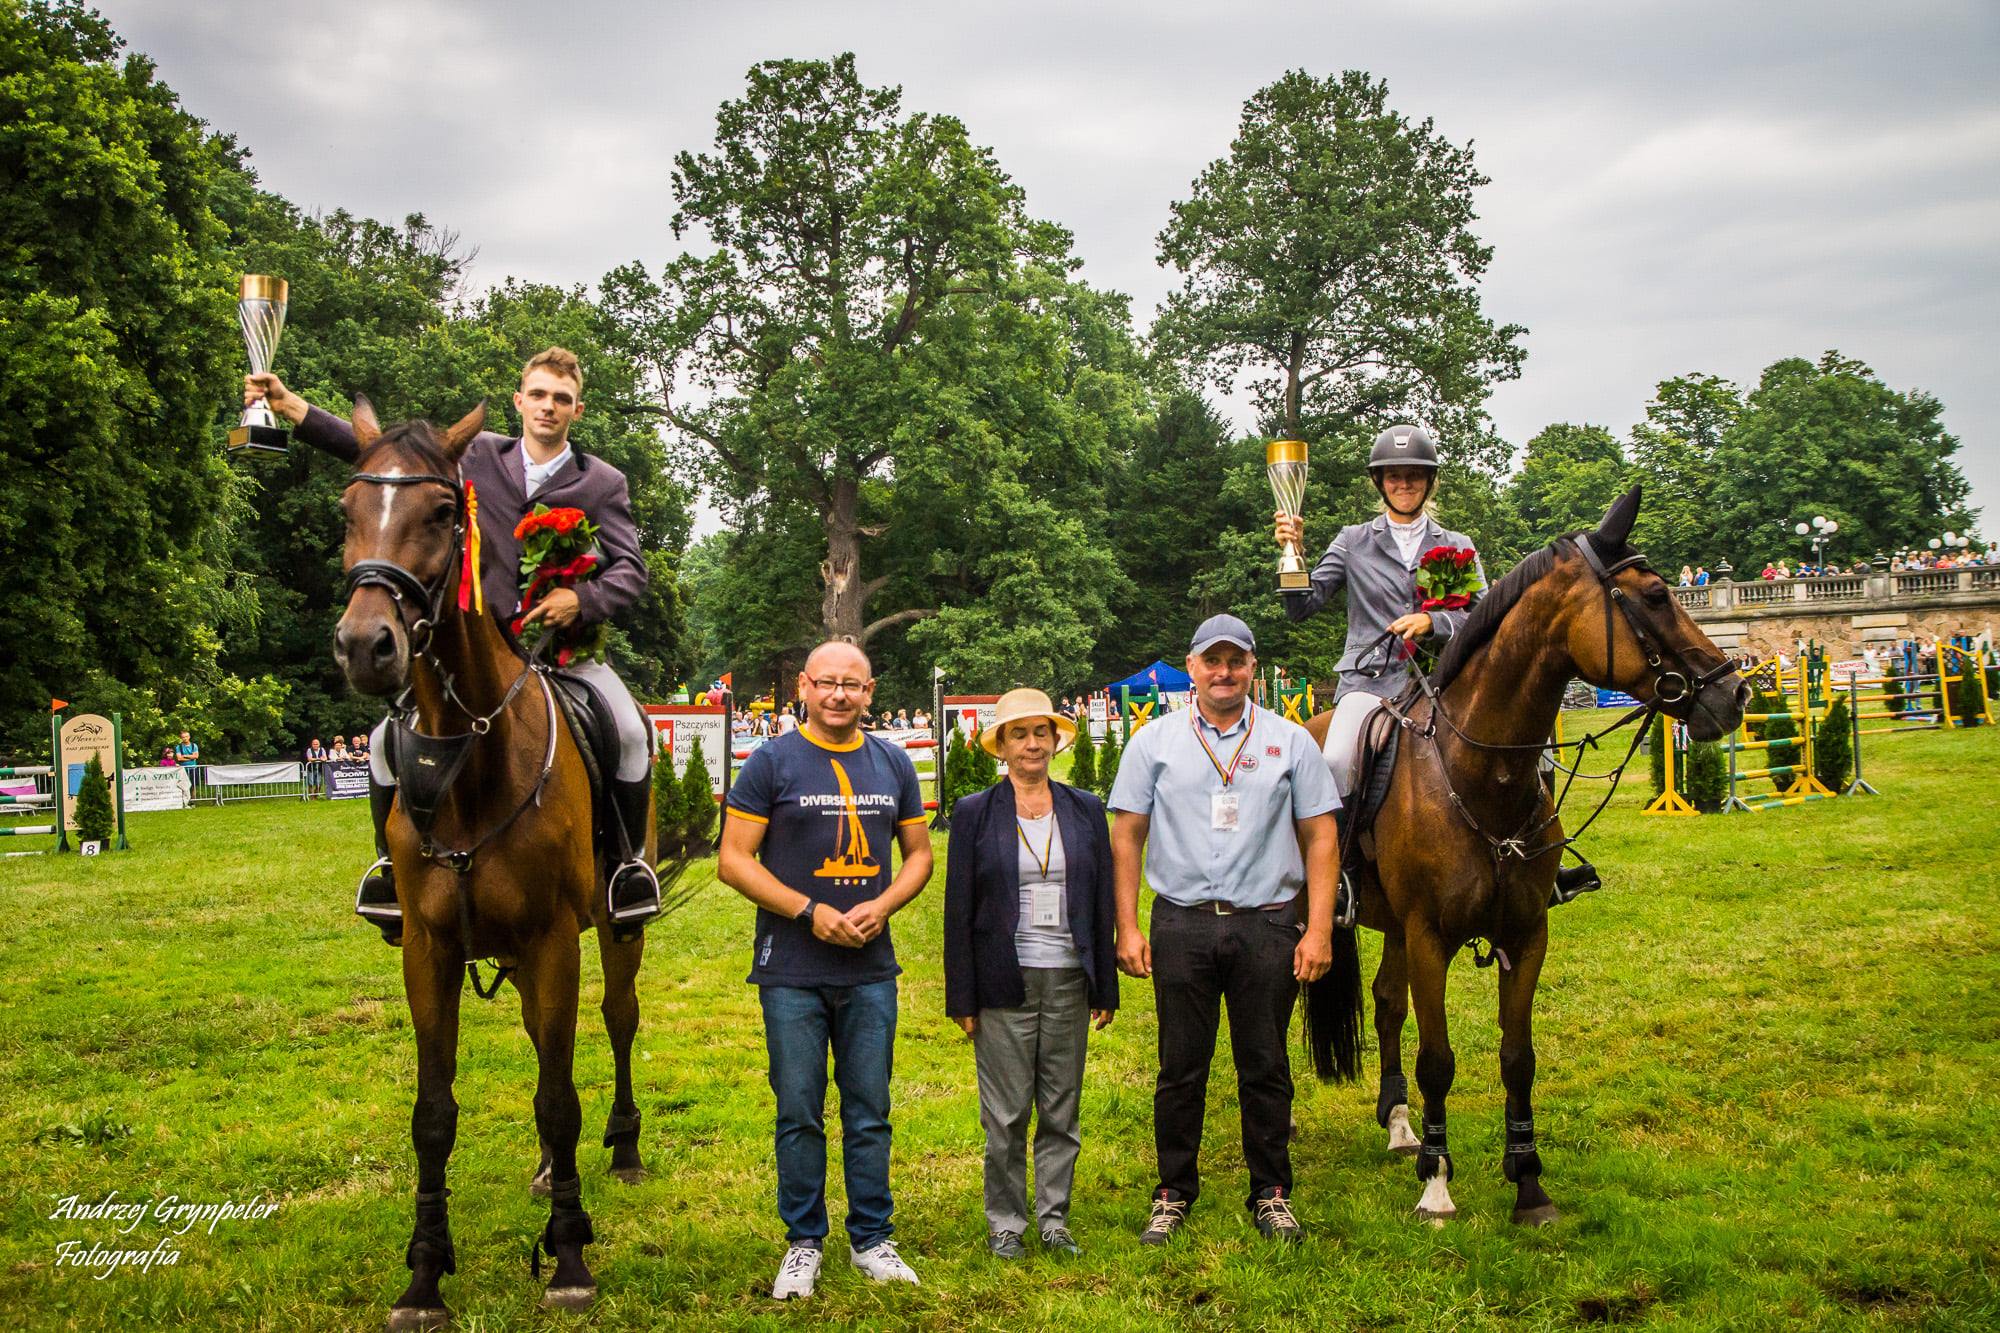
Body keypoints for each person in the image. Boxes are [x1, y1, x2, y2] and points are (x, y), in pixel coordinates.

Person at [249, 347, 661, 944]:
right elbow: (380, 461)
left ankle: (626, 870)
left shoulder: (601, 481)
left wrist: (583, 600)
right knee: (385, 740)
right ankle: (391, 871)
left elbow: (631, 569)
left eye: (562, 399)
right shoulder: (474, 455)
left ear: (577, 408)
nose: (549, 407)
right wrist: (292, 408)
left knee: (627, 730)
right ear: (520, 400)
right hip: (474, 648)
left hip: (559, 651)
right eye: (539, 395)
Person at [1274, 423, 1599, 904]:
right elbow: (1301, 608)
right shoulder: (1353, 541)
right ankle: (1341, 876)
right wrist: (1291, 553)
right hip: (1372, 682)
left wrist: (1434, 624)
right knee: (1338, 758)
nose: (1403, 484)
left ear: (1429, 482)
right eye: (1394, 477)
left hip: (1448, 681)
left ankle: (1544, 867)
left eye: (1413, 476)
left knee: (1536, 745)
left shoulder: (1457, 545)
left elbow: (1486, 616)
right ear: (1380, 483)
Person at [1108, 615, 1338, 1246]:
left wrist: (1318, 930)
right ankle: (1173, 1192)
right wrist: (1126, 926)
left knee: (1264, 1063)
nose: (1224, 673)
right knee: (1181, 1066)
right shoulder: (1152, 742)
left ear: (1252, 670)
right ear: (1192, 667)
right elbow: (1126, 835)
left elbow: (1321, 837)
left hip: (1267, 924)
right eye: (1213, 661)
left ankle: (1271, 1191)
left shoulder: (1291, 742)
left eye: (1237, 661)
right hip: (1181, 923)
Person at [719, 641, 934, 1300]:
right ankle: (803, 1241)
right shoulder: (771, 760)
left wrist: (886, 901)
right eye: (828, 683)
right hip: (792, 966)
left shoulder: (893, 761)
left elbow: (920, 853)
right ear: (805, 688)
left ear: (870, 691)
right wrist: (807, 910)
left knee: (870, 1109)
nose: (840, 695)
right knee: (800, 1110)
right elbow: (733, 857)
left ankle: (872, 1237)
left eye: (854, 685)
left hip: (870, 966)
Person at [944, 688, 1117, 1260]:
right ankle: (1006, 1225)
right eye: (1019, 734)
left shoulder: (1086, 808)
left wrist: (1104, 985)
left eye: (1040, 732)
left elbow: (1101, 903)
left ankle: (1054, 1219)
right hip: (1002, 979)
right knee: (1007, 1112)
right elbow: (958, 912)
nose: (1032, 743)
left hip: (1069, 976)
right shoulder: (974, 812)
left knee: (1061, 1109)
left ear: (1055, 739)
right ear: (1003, 747)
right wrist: (962, 997)